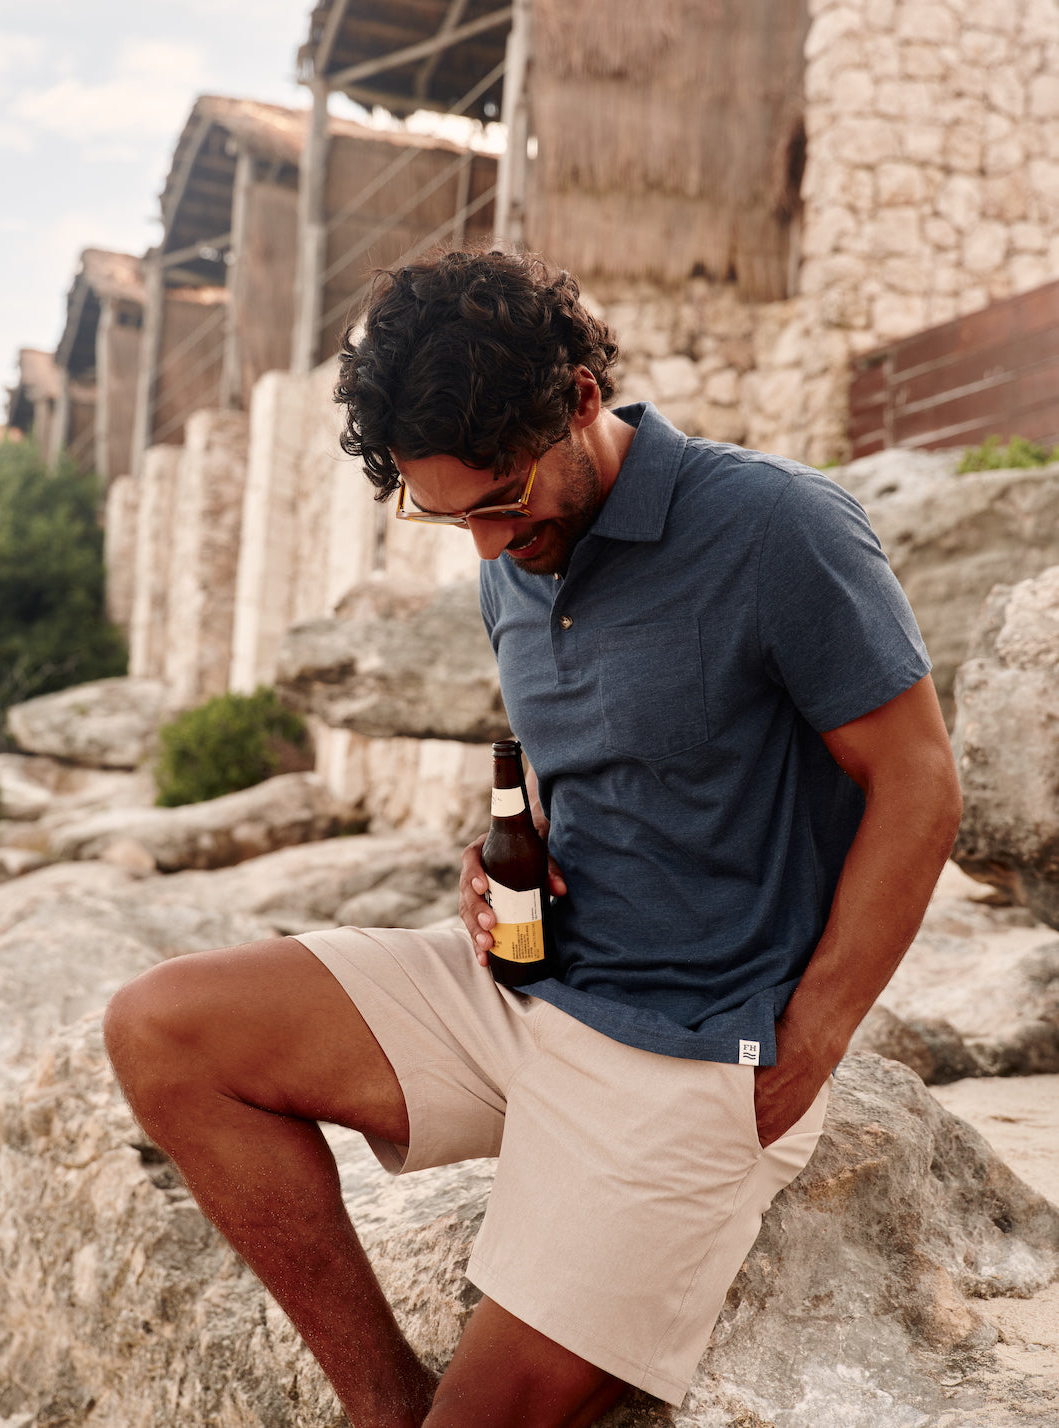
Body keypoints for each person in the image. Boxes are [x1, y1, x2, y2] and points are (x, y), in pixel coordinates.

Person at [104, 249, 963, 1428]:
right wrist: (505, 856)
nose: (489, 545)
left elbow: (919, 780)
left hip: (692, 1044)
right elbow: (614, 763)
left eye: (502, 500)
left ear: (579, 402)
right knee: (161, 1030)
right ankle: (385, 1406)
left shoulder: (778, 528)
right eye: (446, 514)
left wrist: (815, 1034)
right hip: (522, 990)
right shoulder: (509, 558)